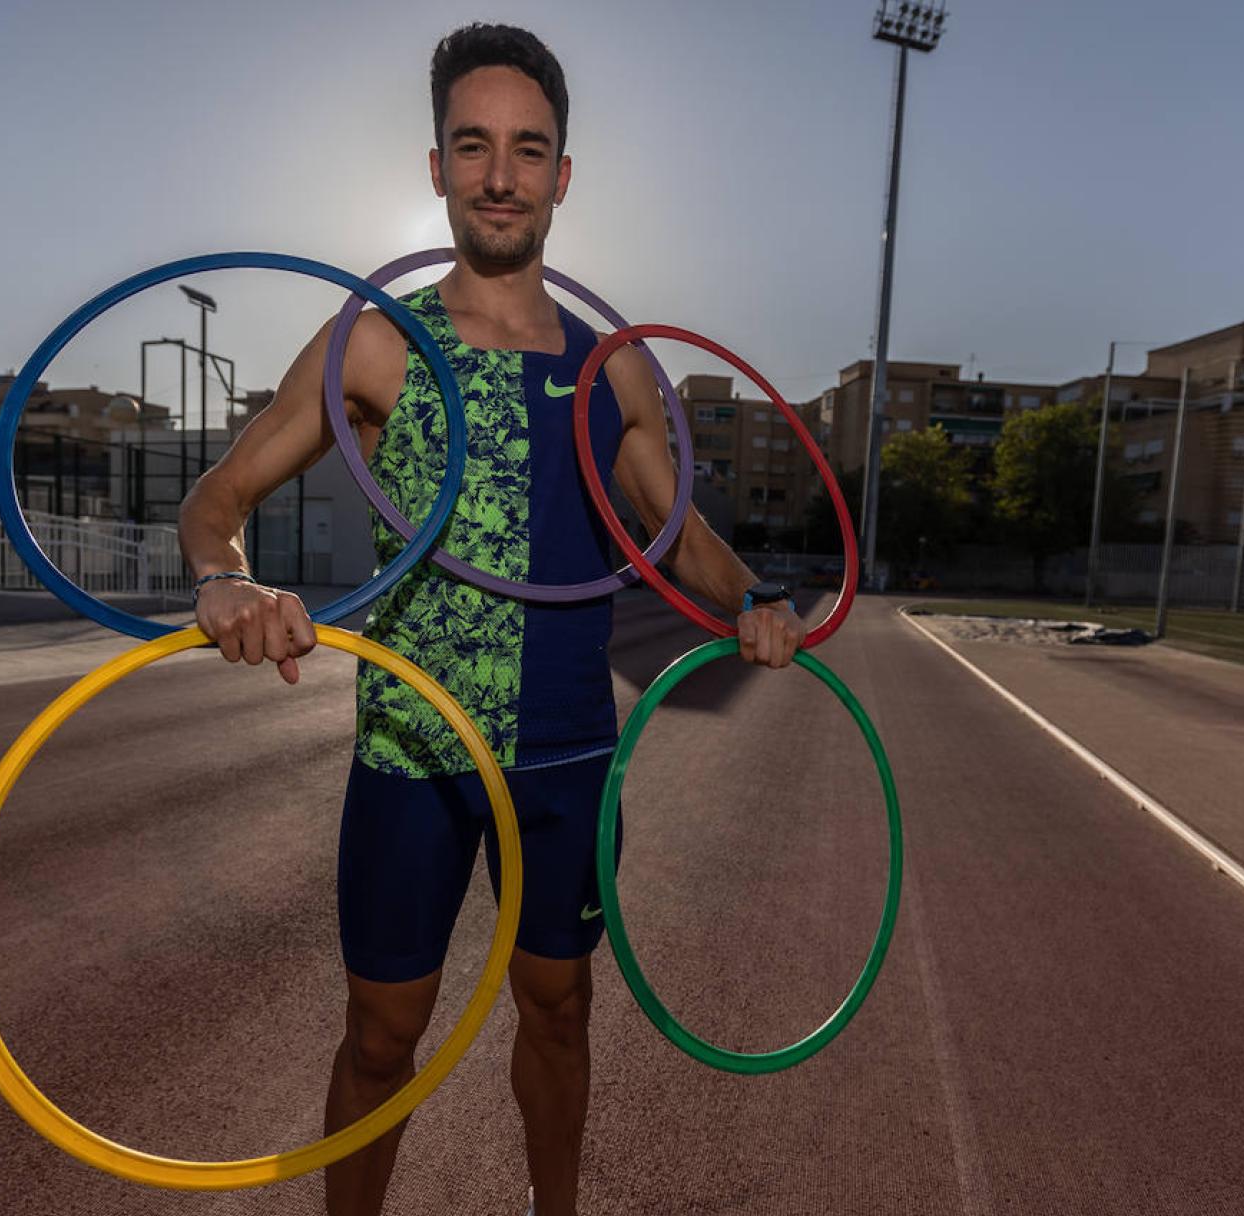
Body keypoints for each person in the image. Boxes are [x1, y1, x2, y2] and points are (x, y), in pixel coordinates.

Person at [176, 23, 806, 1215]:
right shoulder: (376, 340)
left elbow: (685, 537)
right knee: (380, 1036)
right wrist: (227, 580)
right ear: (437, 167)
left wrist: (757, 597)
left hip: (566, 753)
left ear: (563, 174)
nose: (501, 176)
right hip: (411, 749)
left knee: (560, 1011)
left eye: (527, 150)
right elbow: (219, 501)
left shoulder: (614, 367)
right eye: (475, 147)